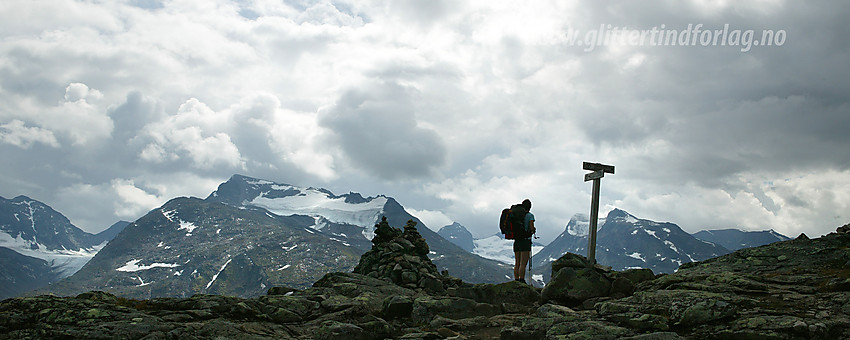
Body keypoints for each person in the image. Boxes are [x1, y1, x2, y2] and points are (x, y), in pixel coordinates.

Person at [513, 199, 535, 283]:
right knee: (523, 263)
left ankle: (516, 280)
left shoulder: (516, 215)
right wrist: (533, 230)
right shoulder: (530, 216)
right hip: (525, 241)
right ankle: (521, 280)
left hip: (517, 241)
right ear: (530, 207)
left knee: (517, 263)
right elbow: (531, 228)